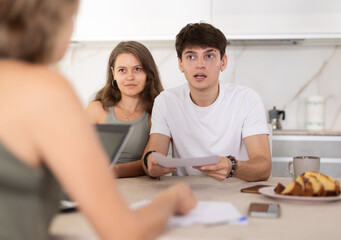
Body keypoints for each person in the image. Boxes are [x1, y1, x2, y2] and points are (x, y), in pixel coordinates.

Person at [0, 0, 196, 239]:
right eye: (70, 18)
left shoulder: (159, 108)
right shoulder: (47, 89)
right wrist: (172, 198)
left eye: (137, 69)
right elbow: (124, 232)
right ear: (51, 26)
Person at [142, 23, 272, 182]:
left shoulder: (247, 99)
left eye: (209, 56)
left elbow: (264, 167)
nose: (200, 64)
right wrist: (151, 164)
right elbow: (153, 155)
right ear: (180, 64)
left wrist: (232, 167)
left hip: (236, 193)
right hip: (185, 194)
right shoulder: (166, 101)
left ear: (223, 62)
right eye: (191, 56)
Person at [86, 41, 163, 178]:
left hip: (141, 187)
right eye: (122, 70)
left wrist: (114, 171)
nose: (130, 77)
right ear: (113, 73)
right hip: (98, 183)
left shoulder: (157, 113)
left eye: (137, 69)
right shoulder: (96, 110)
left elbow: (150, 162)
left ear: (148, 73)